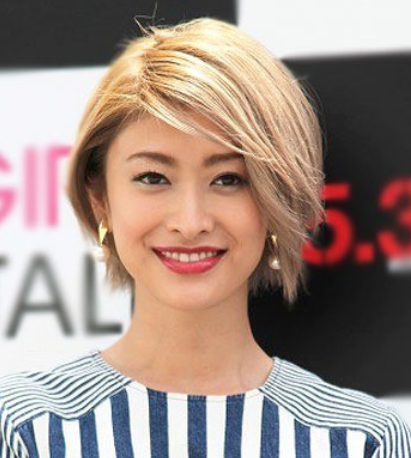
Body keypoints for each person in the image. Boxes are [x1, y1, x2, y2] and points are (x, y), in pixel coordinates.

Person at [1, 16, 410, 458]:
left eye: (228, 179)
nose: (191, 221)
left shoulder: (360, 439)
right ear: (100, 198)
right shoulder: (27, 427)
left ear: (278, 195)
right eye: (153, 177)